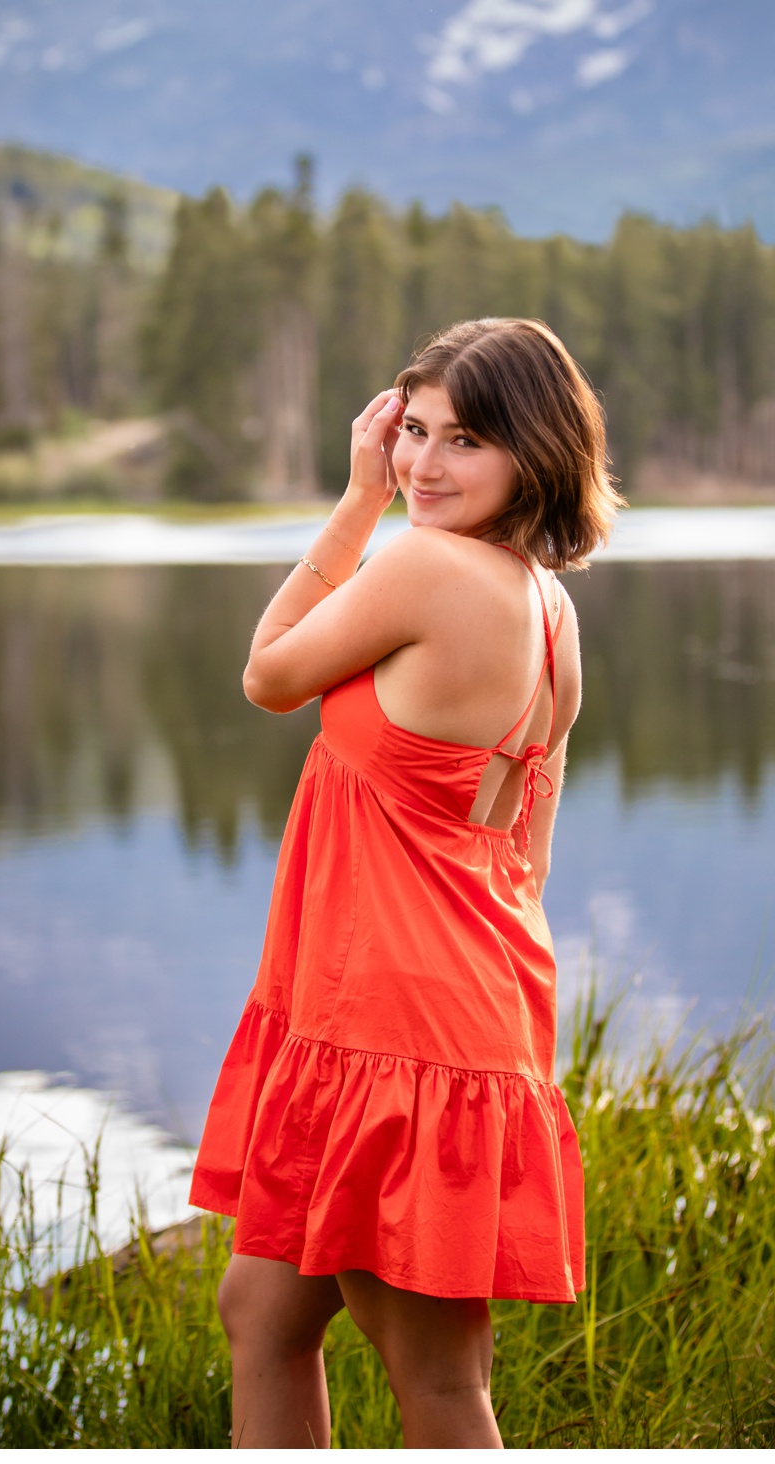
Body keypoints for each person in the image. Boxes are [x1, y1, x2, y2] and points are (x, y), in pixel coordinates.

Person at [189, 318, 622, 1446]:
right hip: (441, 1002)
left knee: (433, 1376)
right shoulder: (550, 608)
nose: (423, 464)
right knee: (263, 1311)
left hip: (397, 1023)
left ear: (535, 451)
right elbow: (526, 848)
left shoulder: (427, 564)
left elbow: (269, 673)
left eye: (464, 439)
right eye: (413, 431)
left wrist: (356, 503)